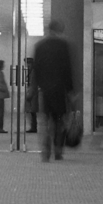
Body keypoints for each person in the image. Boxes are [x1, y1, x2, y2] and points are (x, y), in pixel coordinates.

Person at [30, 19, 75, 161]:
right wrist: (71, 90)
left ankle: (45, 151)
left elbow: (35, 70)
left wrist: (34, 88)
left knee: (45, 121)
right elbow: (67, 70)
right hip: (60, 90)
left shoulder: (39, 46)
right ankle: (58, 150)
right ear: (59, 30)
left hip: (45, 90)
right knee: (59, 121)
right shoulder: (63, 45)